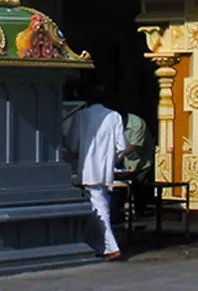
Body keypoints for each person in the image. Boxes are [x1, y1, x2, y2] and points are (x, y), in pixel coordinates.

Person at [63, 84, 128, 261]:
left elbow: (72, 145)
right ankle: (96, 245)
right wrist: (110, 160)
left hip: (87, 169)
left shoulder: (81, 116)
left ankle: (110, 247)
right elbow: (122, 146)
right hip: (106, 171)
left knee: (99, 208)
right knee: (98, 205)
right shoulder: (114, 116)